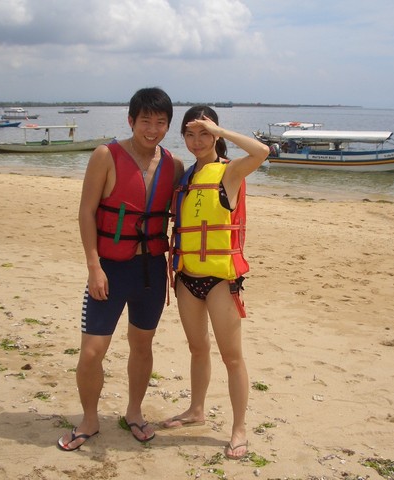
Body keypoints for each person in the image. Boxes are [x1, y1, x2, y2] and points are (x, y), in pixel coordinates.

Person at [57, 87, 184, 451]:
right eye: (146, 120)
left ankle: (134, 412)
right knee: (93, 351)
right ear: (131, 120)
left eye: (161, 122)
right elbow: (86, 212)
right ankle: (90, 419)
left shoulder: (173, 165)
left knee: (142, 346)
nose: (153, 128)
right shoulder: (105, 156)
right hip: (110, 268)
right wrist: (93, 266)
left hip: (151, 271)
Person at [163, 106, 269, 460]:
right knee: (197, 349)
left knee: (232, 357)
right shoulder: (184, 176)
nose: (197, 141)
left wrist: (221, 132)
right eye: (190, 134)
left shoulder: (231, 171)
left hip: (221, 280)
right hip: (187, 278)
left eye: (204, 133)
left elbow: (262, 152)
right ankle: (196, 409)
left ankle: (239, 428)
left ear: (216, 134)